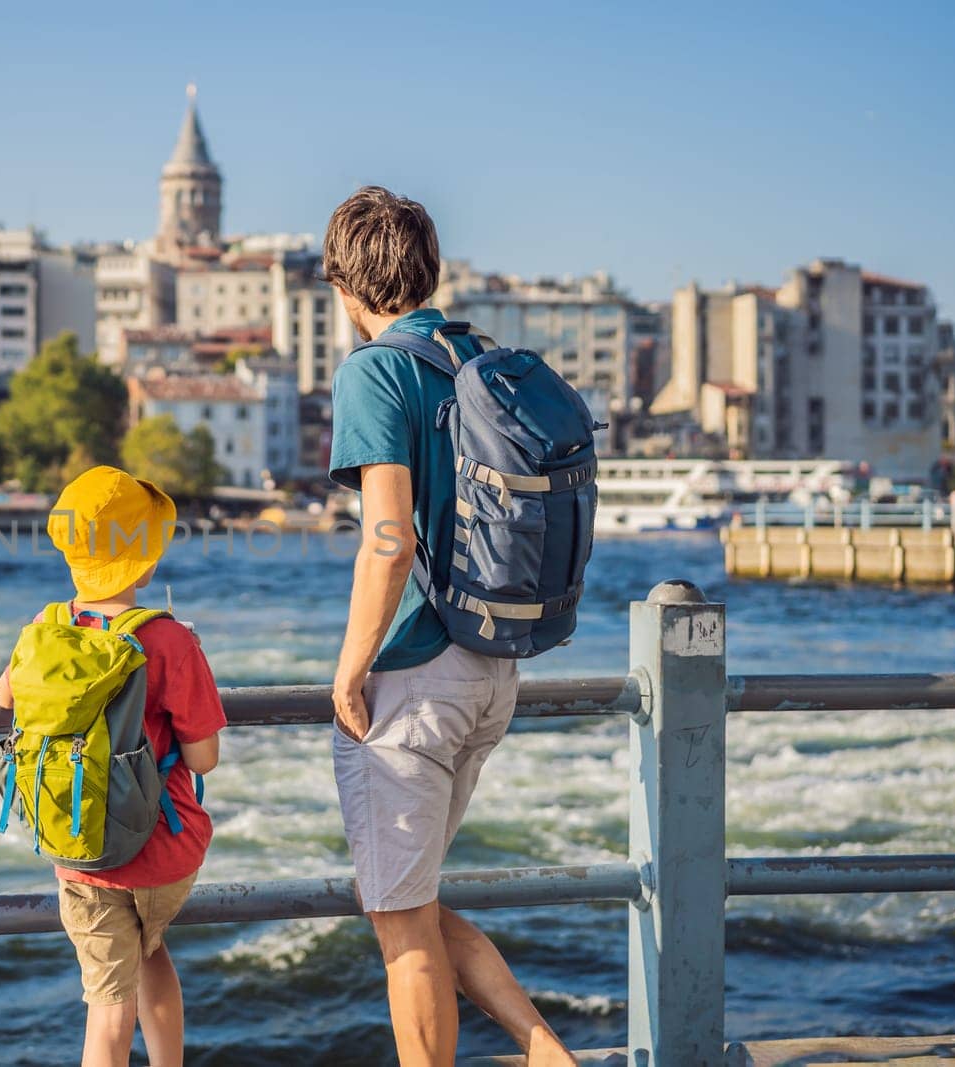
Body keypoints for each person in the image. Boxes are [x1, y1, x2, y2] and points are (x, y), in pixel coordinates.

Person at [323, 186, 576, 1067]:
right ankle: (546, 1049)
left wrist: (351, 668)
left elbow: (387, 540)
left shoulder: (372, 370)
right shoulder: (477, 355)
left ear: (344, 287)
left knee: (402, 931)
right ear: (428, 270)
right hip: (491, 669)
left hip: (418, 681)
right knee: (415, 903)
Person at [0, 465, 226, 1067]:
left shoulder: (44, 628)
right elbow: (205, 758)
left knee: (108, 1004)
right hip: (164, 850)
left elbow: (4, 696)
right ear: (147, 561)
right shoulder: (171, 642)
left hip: (80, 850)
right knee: (149, 952)